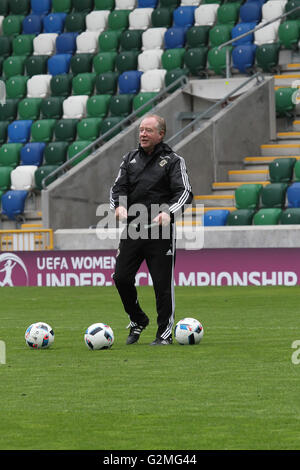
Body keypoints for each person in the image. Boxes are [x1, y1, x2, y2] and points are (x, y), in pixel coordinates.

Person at [110, 114, 193, 345]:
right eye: (141, 130)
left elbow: (185, 192)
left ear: (160, 134)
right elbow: (118, 189)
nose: (143, 134)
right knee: (121, 278)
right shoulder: (129, 159)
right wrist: (119, 207)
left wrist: (169, 212)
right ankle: (137, 319)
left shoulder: (174, 161)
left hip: (160, 232)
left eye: (148, 130)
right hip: (133, 230)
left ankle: (164, 334)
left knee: (162, 284)